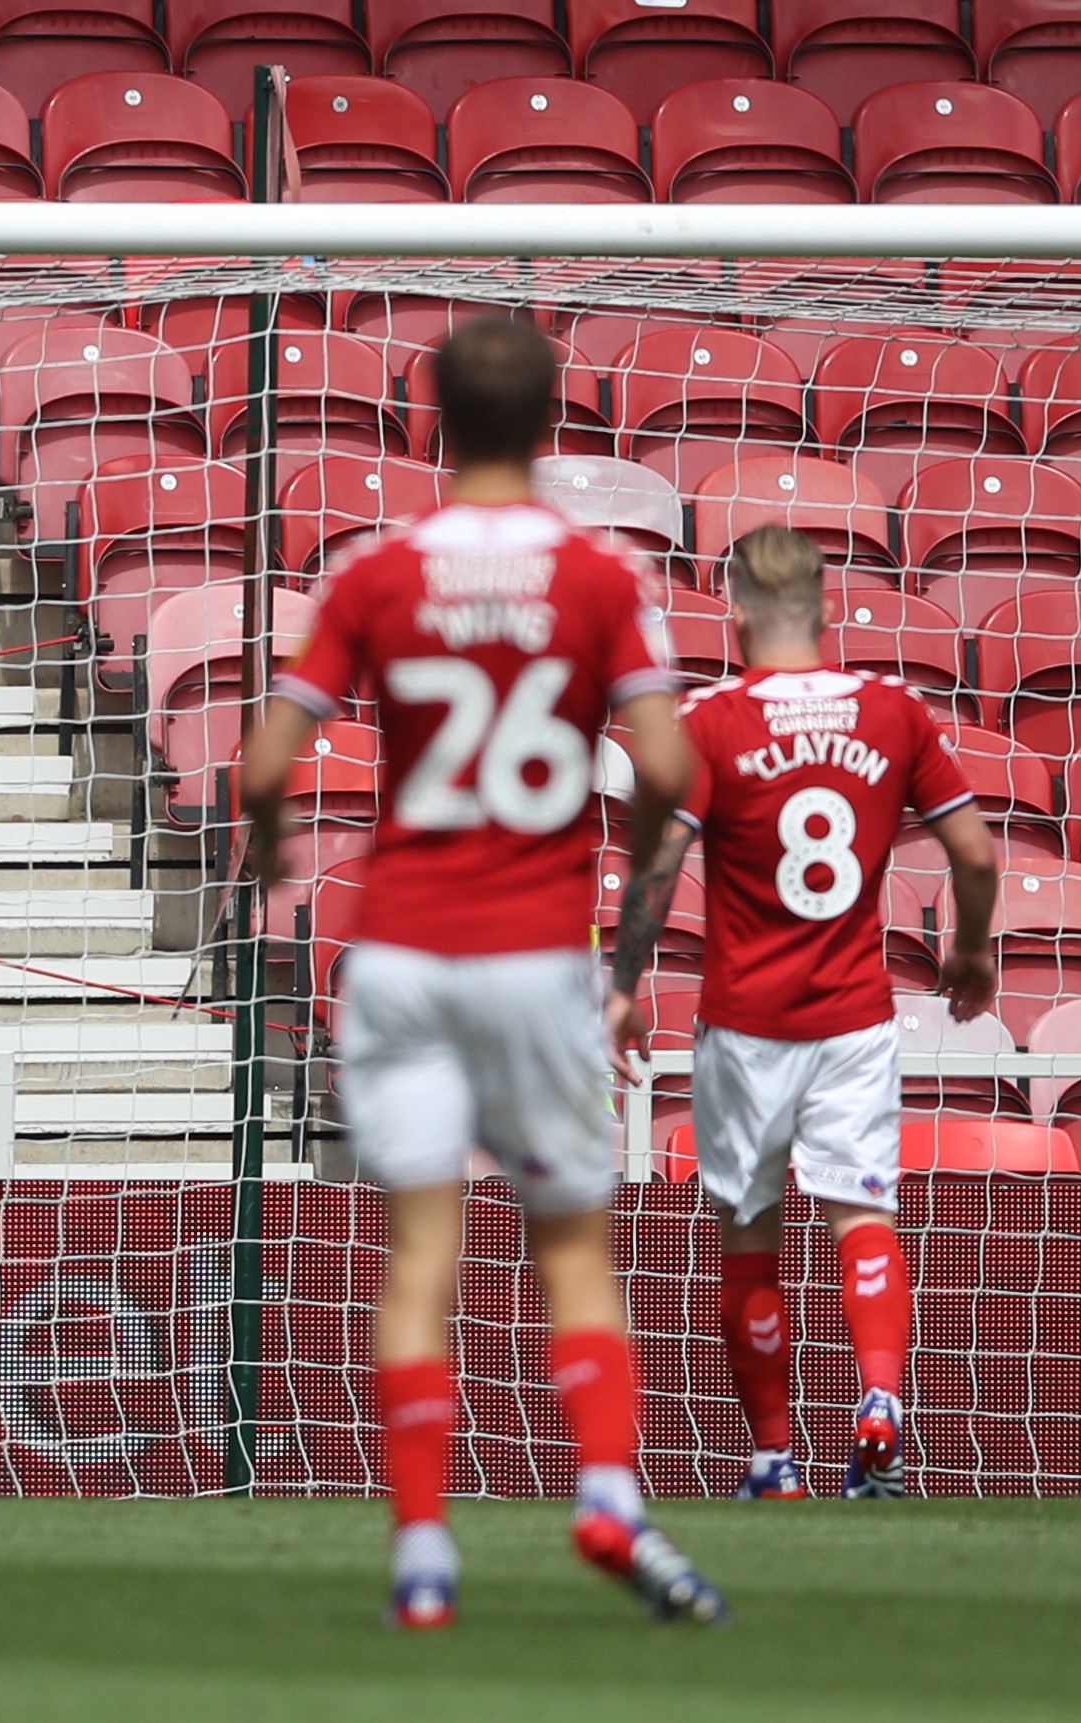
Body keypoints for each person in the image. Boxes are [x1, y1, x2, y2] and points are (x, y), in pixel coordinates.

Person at [242, 317, 726, 1629]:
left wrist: (275, 833)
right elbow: (675, 775)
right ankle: (612, 1495)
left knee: (419, 1257)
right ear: (555, 417)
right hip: (533, 952)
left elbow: (267, 756)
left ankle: (422, 1551)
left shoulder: (373, 569)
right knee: (571, 1247)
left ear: (433, 422)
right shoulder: (600, 572)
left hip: (401, 947)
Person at [607, 524, 999, 1501]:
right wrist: (967, 947)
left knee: (750, 1230)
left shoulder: (710, 721)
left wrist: (622, 981)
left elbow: (658, 866)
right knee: (861, 1214)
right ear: (825, 614)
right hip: (854, 1017)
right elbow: (977, 853)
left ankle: (774, 1457)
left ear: (734, 613)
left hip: (744, 1021)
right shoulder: (892, 711)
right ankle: (876, 1401)